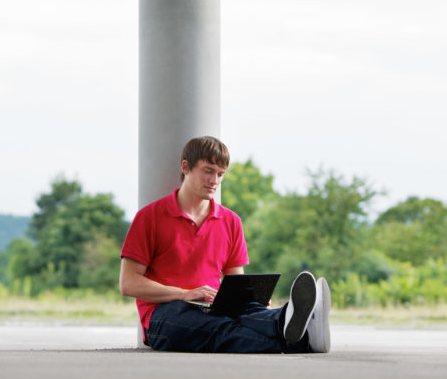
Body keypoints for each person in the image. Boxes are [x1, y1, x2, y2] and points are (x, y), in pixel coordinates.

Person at [120, 135, 331, 353]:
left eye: (220, 174)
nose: (214, 180)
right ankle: (303, 338)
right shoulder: (149, 217)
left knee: (246, 311)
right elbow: (128, 283)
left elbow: (235, 282)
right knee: (217, 329)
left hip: (216, 306)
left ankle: (287, 317)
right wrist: (184, 293)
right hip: (165, 312)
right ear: (186, 167)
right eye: (208, 171)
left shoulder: (231, 221)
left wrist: (253, 300)